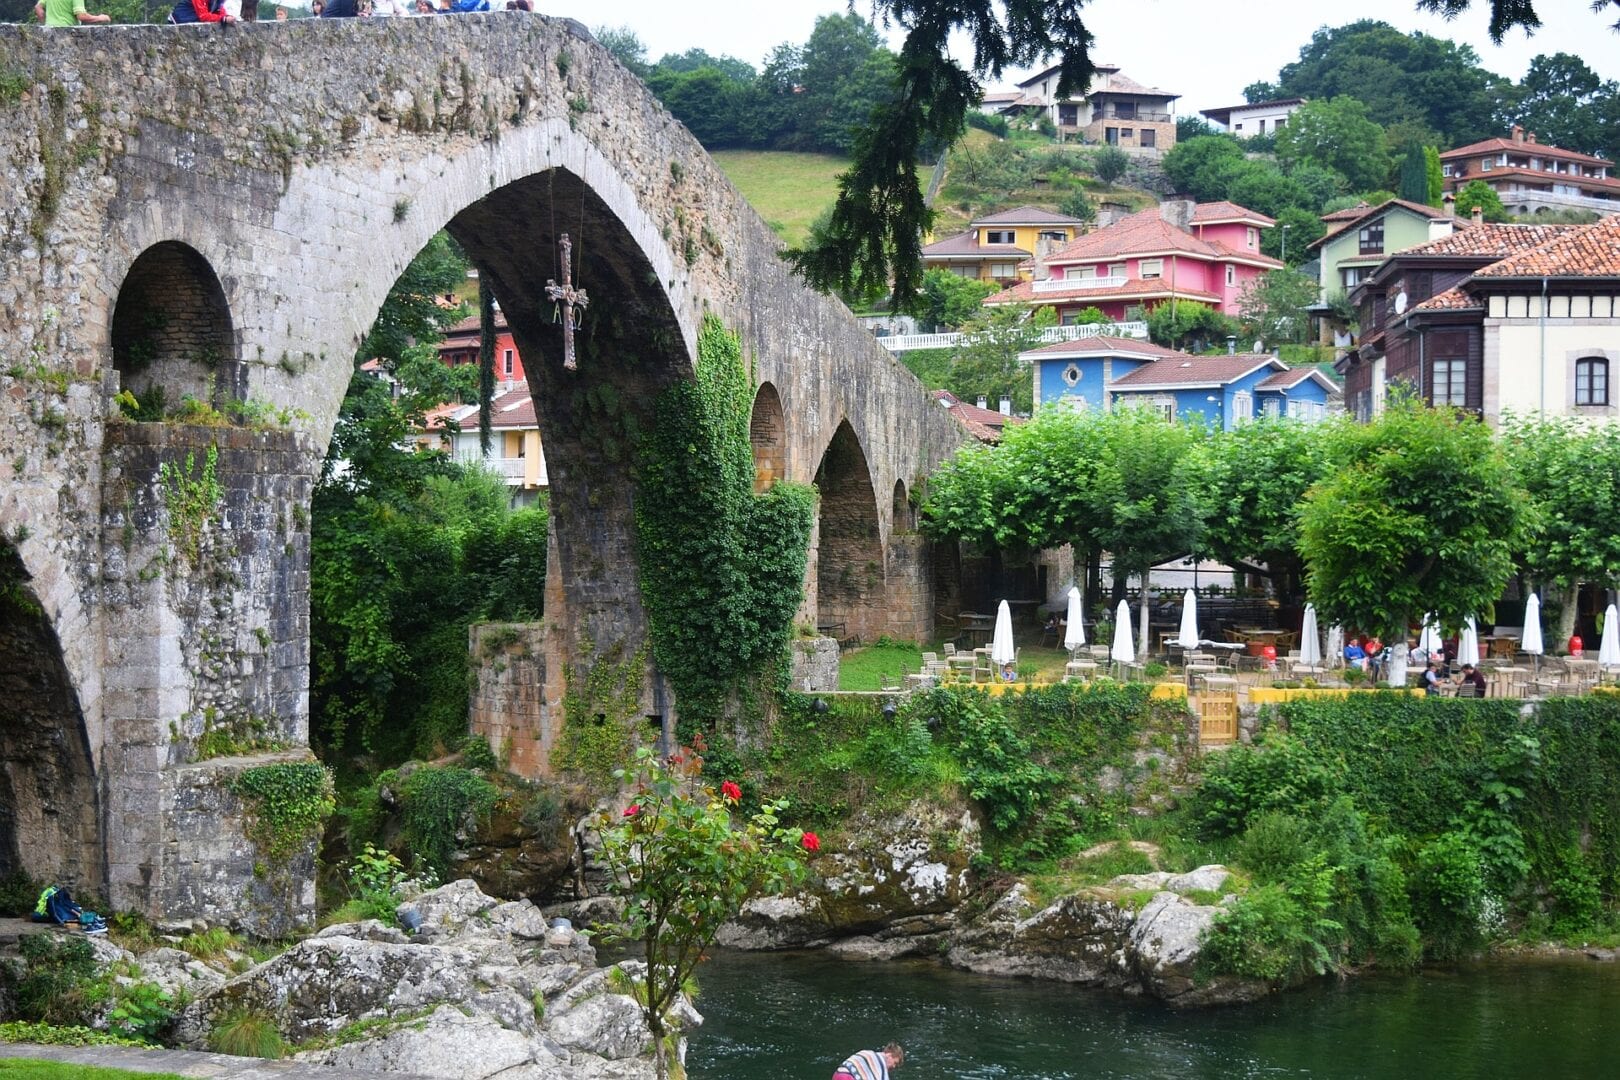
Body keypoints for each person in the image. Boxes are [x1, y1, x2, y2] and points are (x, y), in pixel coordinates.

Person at [833, 1043, 904, 1080]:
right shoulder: (881, 1064)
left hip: (837, 1074)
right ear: (889, 1055)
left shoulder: (867, 1053)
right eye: (895, 1063)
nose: (894, 1066)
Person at [35, 0, 111, 25]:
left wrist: (44, 24)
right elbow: (81, 16)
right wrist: (101, 18)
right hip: (67, 33)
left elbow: (38, 8)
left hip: (49, 31)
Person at [169, 0, 235, 23]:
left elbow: (221, 11)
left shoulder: (217, 1)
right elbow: (203, 16)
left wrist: (226, 16)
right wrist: (223, 19)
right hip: (177, 22)